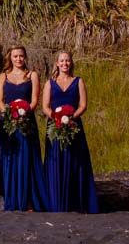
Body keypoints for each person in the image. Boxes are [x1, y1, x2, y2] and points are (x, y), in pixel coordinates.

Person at [42, 50, 99, 213]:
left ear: (71, 63)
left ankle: (77, 202)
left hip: (74, 126)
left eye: (67, 61)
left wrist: (71, 117)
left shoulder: (78, 81)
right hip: (55, 127)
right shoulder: (50, 83)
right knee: (55, 161)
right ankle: (56, 203)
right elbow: (45, 106)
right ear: (57, 63)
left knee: (75, 161)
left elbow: (83, 105)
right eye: (62, 61)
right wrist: (56, 117)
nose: (65, 63)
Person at [0, 45, 49, 211]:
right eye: (15, 56)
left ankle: (29, 201)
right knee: (10, 160)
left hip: (27, 121)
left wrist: (24, 113)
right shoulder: (3, 76)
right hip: (8, 124)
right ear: (10, 58)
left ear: (25, 57)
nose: (18, 59)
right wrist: (10, 114)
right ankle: (11, 198)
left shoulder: (32, 75)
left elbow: (34, 100)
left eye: (21, 56)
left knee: (27, 159)